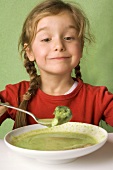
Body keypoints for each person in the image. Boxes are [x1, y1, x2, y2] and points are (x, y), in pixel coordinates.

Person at [0, 0, 113, 129]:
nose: (59, 46)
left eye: (68, 38)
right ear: (29, 51)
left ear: (81, 47)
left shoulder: (98, 98)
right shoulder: (15, 96)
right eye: (46, 39)